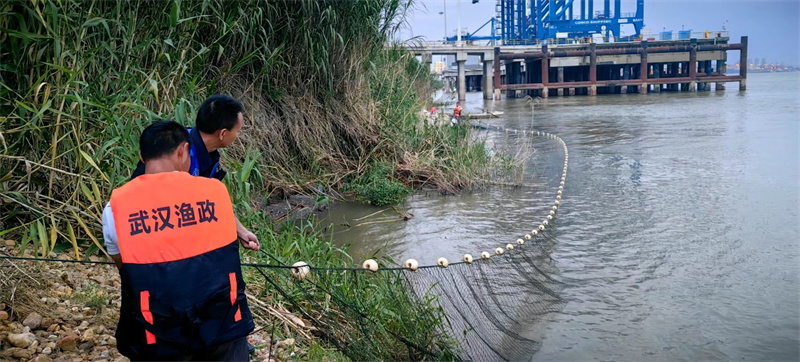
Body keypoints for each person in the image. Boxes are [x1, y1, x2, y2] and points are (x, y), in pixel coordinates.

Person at [102, 120, 255, 361]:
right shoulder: (214, 192)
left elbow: (125, 268)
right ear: (183, 150)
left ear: (142, 156)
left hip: (158, 333)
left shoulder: (116, 207)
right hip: (223, 325)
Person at [131, 95, 260, 252]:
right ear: (223, 134)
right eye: (237, 131)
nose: (237, 136)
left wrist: (242, 232)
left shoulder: (210, 154)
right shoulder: (177, 153)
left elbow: (209, 200)